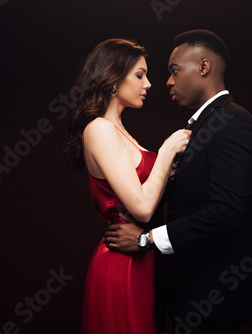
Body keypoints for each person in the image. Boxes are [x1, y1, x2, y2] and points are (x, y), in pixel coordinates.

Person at [104, 30, 252, 334]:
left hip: (211, 300)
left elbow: (228, 213)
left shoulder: (233, 122)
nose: (166, 81)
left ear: (204, 68)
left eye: (174, 71)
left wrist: (145, 240)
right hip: (189, 297)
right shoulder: (205, 127)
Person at [65, 38, 191, 334]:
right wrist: (167, 151)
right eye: (139, 75)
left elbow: (149, 197)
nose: (148, 84)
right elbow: (143, 209)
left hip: (145, 256)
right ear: (112, 79)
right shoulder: (99, 130)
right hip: (123, 263)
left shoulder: (122, 133)